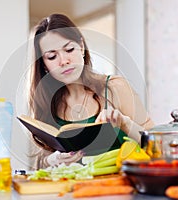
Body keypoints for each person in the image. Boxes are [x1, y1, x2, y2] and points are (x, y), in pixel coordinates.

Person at [27, 13, 154, 170]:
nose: (64, 61)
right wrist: (51, 160)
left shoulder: (115, 88)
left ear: (81, 46)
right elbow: (37, 166)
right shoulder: (47, 103)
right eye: (52, 57)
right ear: (44, 65)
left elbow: (156, 147)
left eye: (69, 49)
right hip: (71, 192)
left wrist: (125, 122)